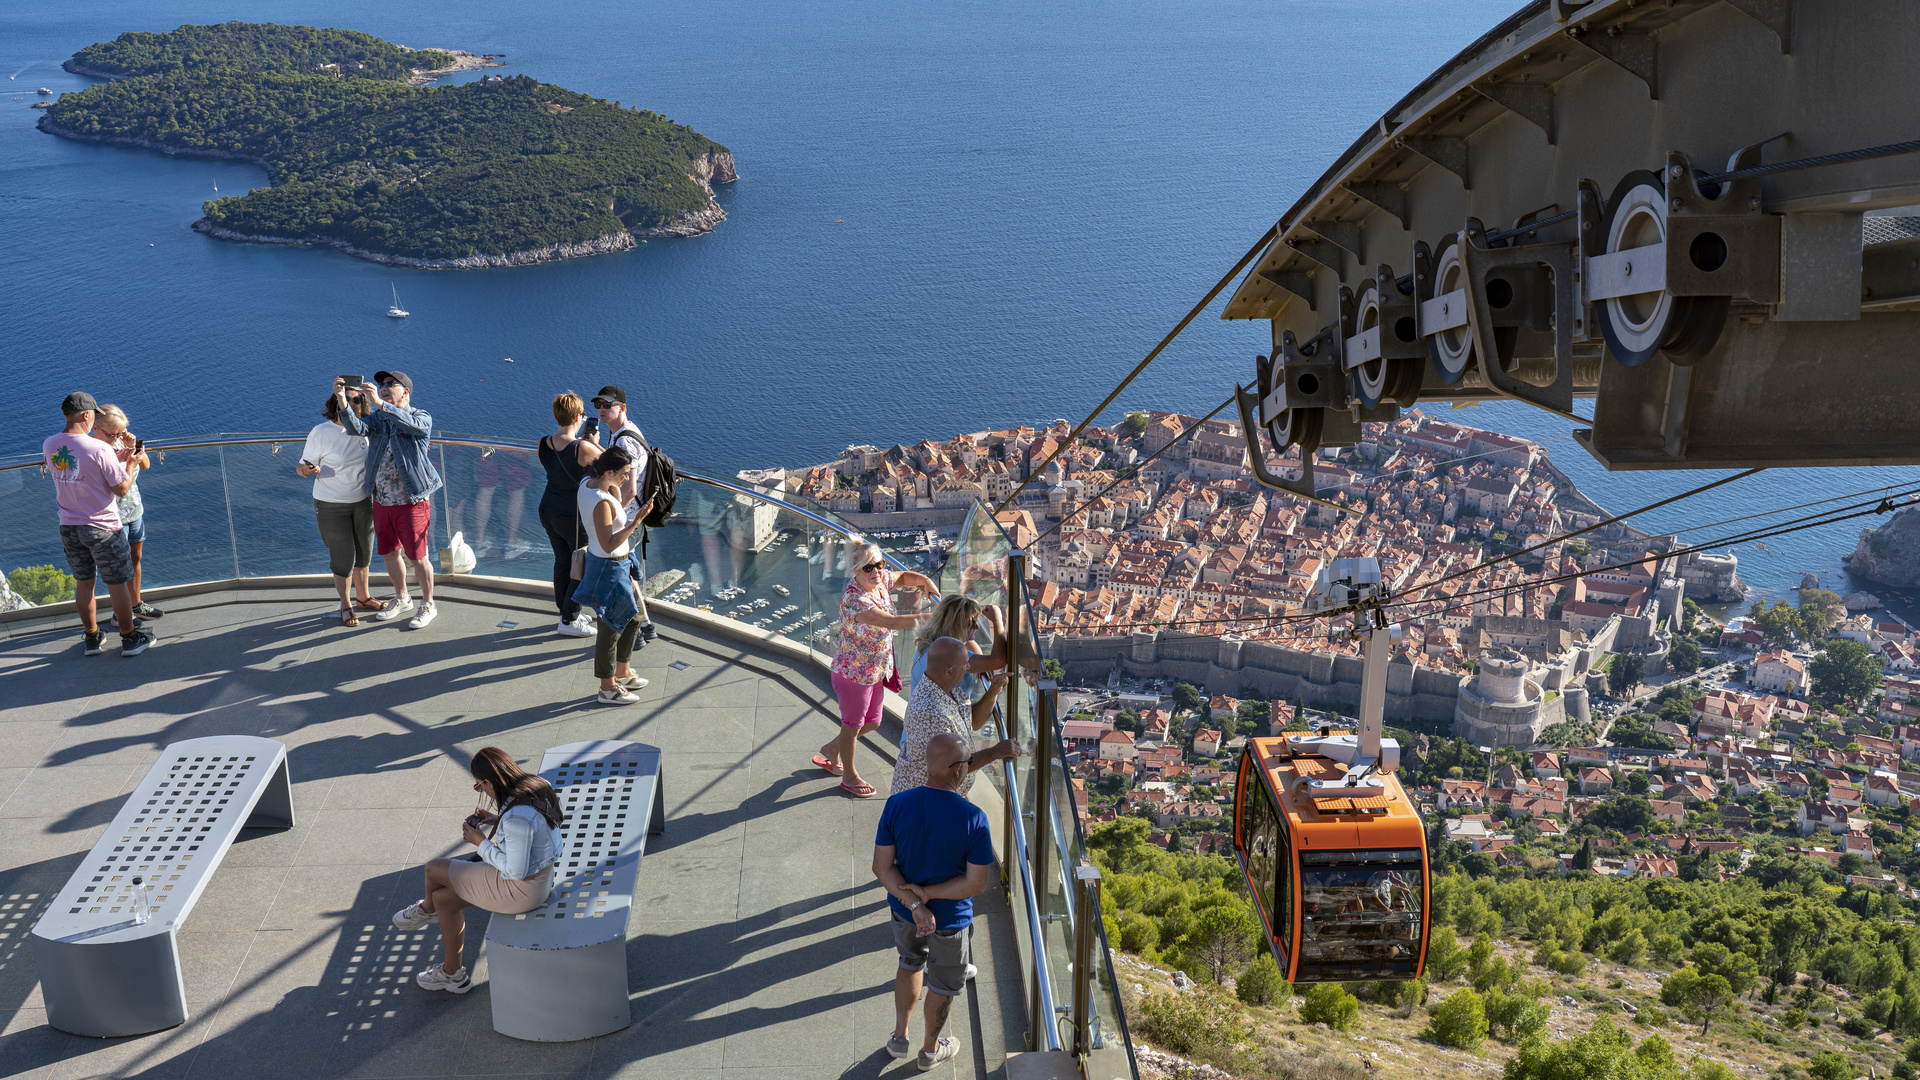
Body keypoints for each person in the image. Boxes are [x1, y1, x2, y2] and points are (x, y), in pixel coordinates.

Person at [392, 747, 563, 993]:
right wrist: (496, 819)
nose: (480, 790)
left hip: (521, 890)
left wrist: (479, 842)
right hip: (541, 877)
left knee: (434, 868)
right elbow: (534, 828)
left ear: (489, 781)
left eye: (479, 785)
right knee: (444, 900)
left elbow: (515, 870)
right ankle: (452, 974)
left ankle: (426, 910)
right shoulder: (536, 785)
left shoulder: (516, 820)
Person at [872, 733, 995, 1071]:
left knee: (908, 963)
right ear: (956, 770)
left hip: (903, 911)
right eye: (968, 763)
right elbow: (976, 883)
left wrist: (914, 904)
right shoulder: (973, 818)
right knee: (942, 984)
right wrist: (929, 896)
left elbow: (881, 867)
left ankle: (899, 1036)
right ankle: (929, 1051)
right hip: (951, 921)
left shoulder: (897, 803)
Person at [816, 541, 941, 797]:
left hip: (874, 670)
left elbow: (904, 576)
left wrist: (924, 581)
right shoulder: (855, 600)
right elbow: (892, 622)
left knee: (873, 722)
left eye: (879, 564)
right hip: (853, 674)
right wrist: (937, 618)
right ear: (854, 570)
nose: (876, 571)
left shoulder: (880, 580)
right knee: (852, 726)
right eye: (868, 568)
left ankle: (832, 748)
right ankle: (849, 776)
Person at [44, 392, 152, 657]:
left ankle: (92, 638)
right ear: (86, 415)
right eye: (93, 413)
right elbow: (122, 489)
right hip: (102, 526)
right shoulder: (100, 448)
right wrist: (131, 463)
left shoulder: (49, 444)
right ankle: (129, 638)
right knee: (118, 583)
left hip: (69, 525)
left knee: (84, 583)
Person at [337, 371, 442, 629]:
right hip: (382, 500)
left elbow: (413, 427)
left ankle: (428, 604)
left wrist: (381, 404)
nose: (383, 387)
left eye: (389, 384)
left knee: (418, 557)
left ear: (405, 391)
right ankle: (402, 596)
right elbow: (356, 428)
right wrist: (342, 401)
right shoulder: (378, 419)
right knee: (389, 553)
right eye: (381, 385)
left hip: (412, 499)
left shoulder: (421, 416)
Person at [573, 448, 652, 705]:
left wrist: (615, 491)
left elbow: (612, 501)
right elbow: (608, 543)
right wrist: (636, 521)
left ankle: (622, 671)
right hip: (608, 565)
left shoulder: (587, 484)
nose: (627, 480)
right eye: (623, 474)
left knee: (634, 616)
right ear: (609, 472)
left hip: (616, 564)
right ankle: (607, 688)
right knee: (609, 626)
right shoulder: (601, 502)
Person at [297, 380, 379, 626]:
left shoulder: (367, 429)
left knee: (364, 553)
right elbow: (301, 467)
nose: (354, 403)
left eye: (358, 399)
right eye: (348, 399)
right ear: (336, 402)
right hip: (331, 504)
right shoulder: (321, 432)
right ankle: (346, 604)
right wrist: (308, 470)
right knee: (344, 557)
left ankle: (363, 597)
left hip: (363, 501)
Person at [891, 637, 1016, 797]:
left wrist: (992, 692)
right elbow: (951, 766)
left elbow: (973, 722)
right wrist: (996, 751)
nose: (969, 667)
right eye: (965, 663)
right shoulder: (930, 712)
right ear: (949, 671)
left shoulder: (944, 687)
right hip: (925, 806)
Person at [589, 385, 655, 642]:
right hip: (632, 515)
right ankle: (645, 624)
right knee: (626, 573)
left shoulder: (624, 439)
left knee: (619, 575)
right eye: (599, 405)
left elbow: (627, 487)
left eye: (608, 405)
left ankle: (634, 630)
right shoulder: (625, 432)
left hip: (627, 517)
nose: (602, 410)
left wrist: (613, 517)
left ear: (622, 407)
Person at [89, 404, 164, 627]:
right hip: (112, 516)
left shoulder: (123, 442)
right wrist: (127, 460)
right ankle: (118, 614)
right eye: (112, 434)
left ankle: (136, 604)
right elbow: (115, 483)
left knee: (135, 559)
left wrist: (134, 448)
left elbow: (147, 465)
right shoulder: (94, 450)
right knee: (118, 566)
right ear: (95, 427)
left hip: (134, 510)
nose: (116, 438)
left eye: (120, 433)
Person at [535, 391, 602, 637]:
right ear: (577, 417)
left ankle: (565, 610)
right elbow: (612, 465)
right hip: (572, 517)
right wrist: (594, 443)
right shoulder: (582, 447)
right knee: (581, 564)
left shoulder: (543, 442)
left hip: (547, 510)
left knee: (563, 561)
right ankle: (569, 618)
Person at [906, 594, 1007, 700]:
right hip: (942, 715)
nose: (977, 627)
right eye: (972, 623)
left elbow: (967, 643)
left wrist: (980, 659)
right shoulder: (949, 655)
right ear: (956, 626)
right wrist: (997, 621)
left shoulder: (931, 644)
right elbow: (998, 660)